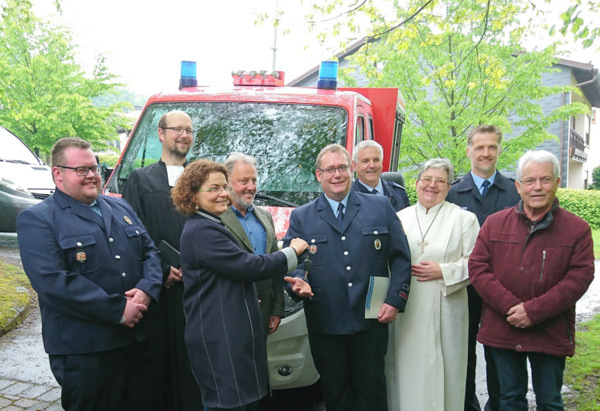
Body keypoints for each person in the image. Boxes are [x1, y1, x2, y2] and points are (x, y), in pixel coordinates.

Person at [16, 137, 163, 411]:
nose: (92, 176)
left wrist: (147, 289)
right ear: (57, 174)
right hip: (86, 351)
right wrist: (119, 309)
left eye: (95, 168)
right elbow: (52, 282)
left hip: (137, 341)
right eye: (81, 170)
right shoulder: (38, 219)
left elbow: (149, 252)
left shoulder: (120, 207)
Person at [171, 159, 308, 411]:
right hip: (220, 338)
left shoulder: (211, 224)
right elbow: (249, 267)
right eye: (214, 188)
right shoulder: (203, 230)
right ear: (192, 195)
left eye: (224, 187)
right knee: (227, 404)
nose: (224, 193)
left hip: (231, 334)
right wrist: (292, 252)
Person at [283, 143, 412, 411]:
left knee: (372, 393)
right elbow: (293, 262)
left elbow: (400, 257)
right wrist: (298, 281)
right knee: (336, 394)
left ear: (351, 170)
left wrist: (395, 299)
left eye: (342, 167)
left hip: (371, 321)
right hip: (326, 321)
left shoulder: (379, 207)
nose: (337, 175)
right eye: (329, 169)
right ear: (319, 175)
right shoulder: (302, 216)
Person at [469, 150, 595, 410]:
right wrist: (510, 307)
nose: (537, 187)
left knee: (550, 401)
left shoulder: (577, 229)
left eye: (545, 180)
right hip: (503, 327)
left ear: (557, 183)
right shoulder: (494, 224)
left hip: (550, 329)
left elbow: (579, 277)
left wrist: (533, 311)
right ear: (518, 186)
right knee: (509, 400)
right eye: (529, 180)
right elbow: (479, 268)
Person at [121, 110, 202, 410]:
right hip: (157, 291)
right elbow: (131, 233)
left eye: (189, 131)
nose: (184, 135)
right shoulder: (141, 180)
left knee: (193, 366)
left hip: (197, 292)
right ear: (161, 133)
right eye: (177, 129)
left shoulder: (202, 178)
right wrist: (162, 270)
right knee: (156, 368)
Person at [385, 158, 480, 410]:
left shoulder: (464, 219)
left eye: (440, 181)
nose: (432, 185)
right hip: (407, 306)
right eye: (427, 179)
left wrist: (444, 270)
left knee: (446, 369)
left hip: (446, 305)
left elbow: (477, 263)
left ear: (449, 187)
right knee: (405, 368)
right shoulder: (398, 218)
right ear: (416, 184)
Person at [445, 124, 520, 411]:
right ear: (469, 151)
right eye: (479, 147)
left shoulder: (516, 193)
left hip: (502, 290)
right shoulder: (452, 195)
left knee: (499, 354)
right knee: (461, 354)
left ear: (500, 150)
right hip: (463, 288)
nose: (485, 153)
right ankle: (466, 405)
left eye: (491, 147)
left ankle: (498, 406)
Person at [221, 152, 284, 335]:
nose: (251, 187)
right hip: (229, 315)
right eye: (244, 181)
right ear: (227, 183)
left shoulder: (265, 217)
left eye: (254, 181)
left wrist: (277, 308)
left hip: (262, 315)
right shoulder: (216, 219)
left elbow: (276, 267)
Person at [351, 140, 410, 211]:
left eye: (376, 160)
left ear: (381, 162)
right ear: (354, 166)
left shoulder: (399, 193)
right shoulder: (347, 199)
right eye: (365, 161)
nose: (372, 165)